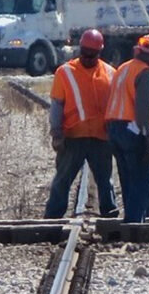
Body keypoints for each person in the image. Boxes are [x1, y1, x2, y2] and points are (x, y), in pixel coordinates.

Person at [43, 28, 118, 219]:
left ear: (99, 52)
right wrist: (56, 133)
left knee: (105, 180)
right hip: (73, 137)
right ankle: (52, 217)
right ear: (80, 49)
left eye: (92, 54)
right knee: (62, 180)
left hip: (101, 138)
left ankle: (110, 214)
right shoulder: (65, 72)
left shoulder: (110, 73)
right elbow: (57, 105)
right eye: (85, 52)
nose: (87, 57)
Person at [105, 32, 149, 223]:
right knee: (143, 180)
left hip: (113, 128)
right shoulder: (145, 73)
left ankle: (130, 221)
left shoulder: (123, 68)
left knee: (128, 179)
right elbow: (143, 110)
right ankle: (134, 224)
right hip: (134, 130)